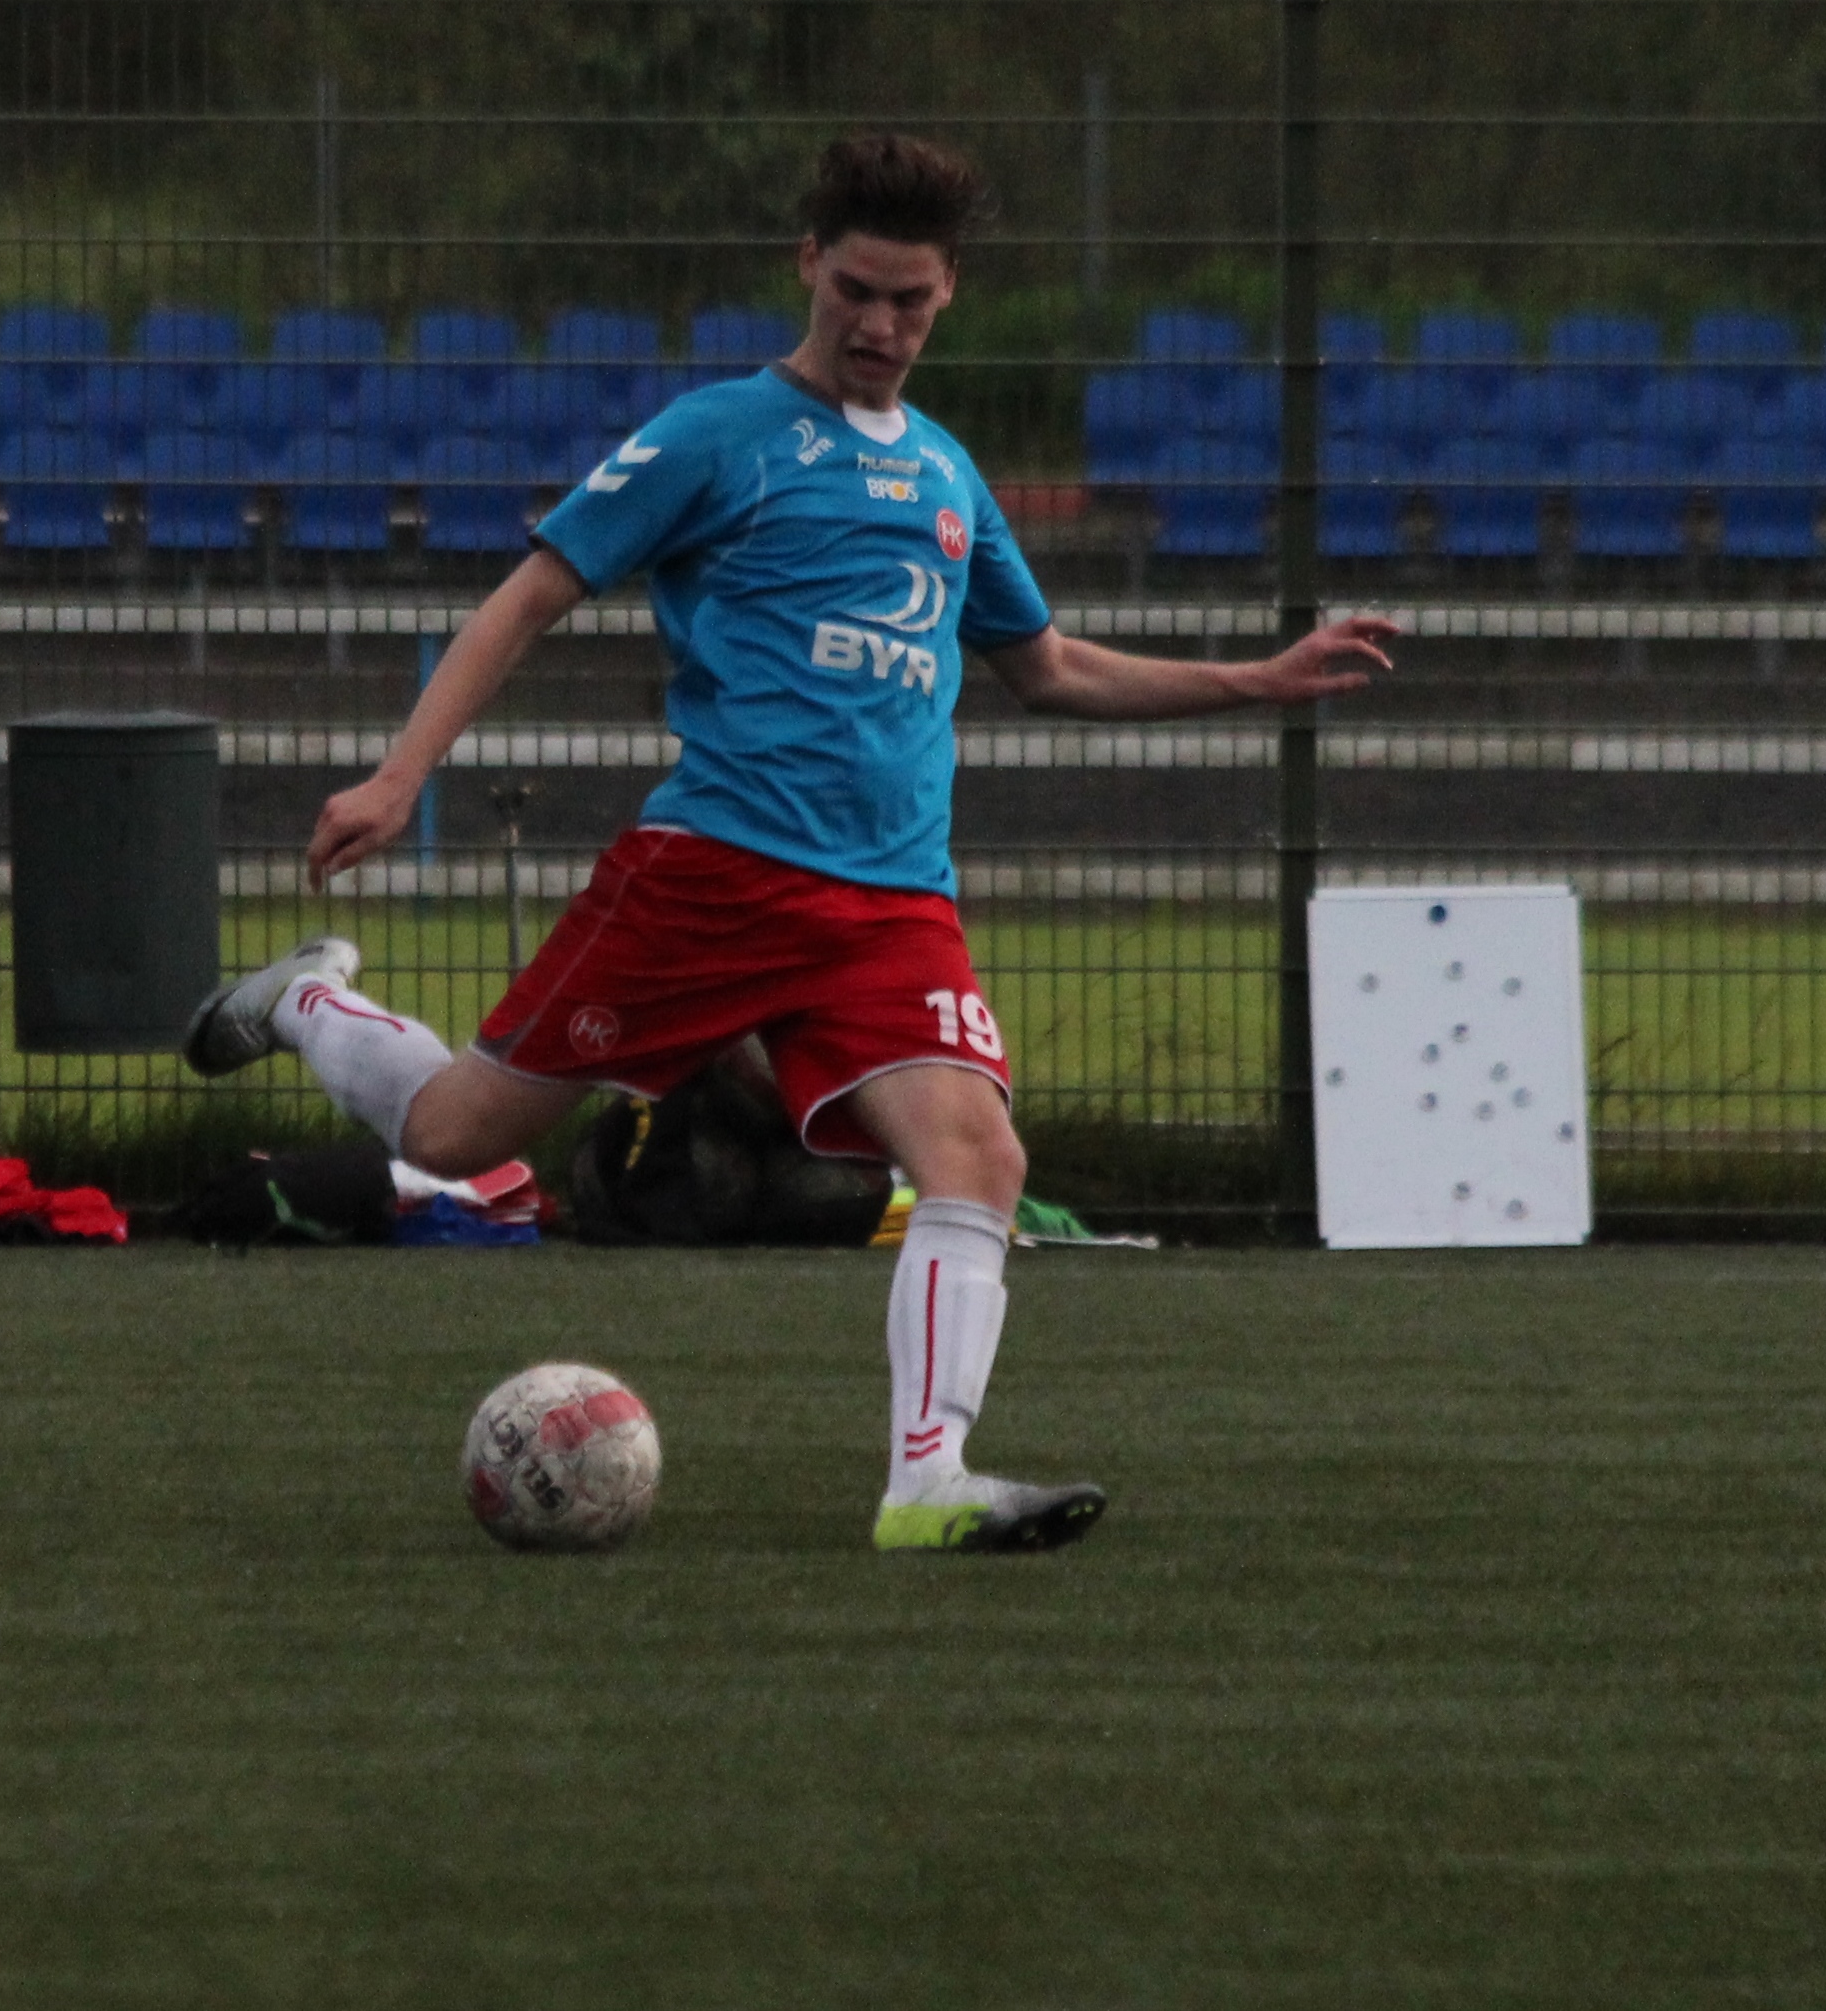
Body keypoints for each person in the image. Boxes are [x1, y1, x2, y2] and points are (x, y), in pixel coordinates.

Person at [183, 133, 1397, 1556]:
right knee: (452, 1137)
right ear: (807, 265)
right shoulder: (720, 436)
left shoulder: (946, 473)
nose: (880, 325)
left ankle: (929, 1481)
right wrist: (401, 774)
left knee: (978, 1158)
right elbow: (530, 595)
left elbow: (1051, 666)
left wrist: (1256, 677)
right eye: (857, 292)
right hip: (713, 878)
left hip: (893, 904)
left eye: (911, 302)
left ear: (948, 297)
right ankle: (312, 999)